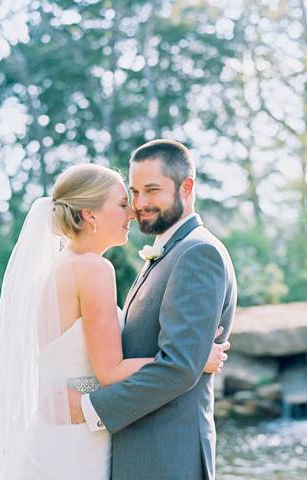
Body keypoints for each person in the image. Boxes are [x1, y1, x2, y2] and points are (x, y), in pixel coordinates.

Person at [0, 161, 231, 479]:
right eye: (121, 204)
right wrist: (194, 358)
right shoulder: (93, 269)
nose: (132, 213)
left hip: (56, 431)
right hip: (77, 440)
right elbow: (109, 372)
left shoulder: (61, 267)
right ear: (91, 214)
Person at [68, 139, 237, 480]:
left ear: (186, 187)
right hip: (139, 452)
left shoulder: (198, 254)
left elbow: (177, 368)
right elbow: (130, 356)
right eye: (134, 192)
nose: (140, 204)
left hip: (167, 457)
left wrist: (90, 407)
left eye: (152, 190)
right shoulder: (166, 251)